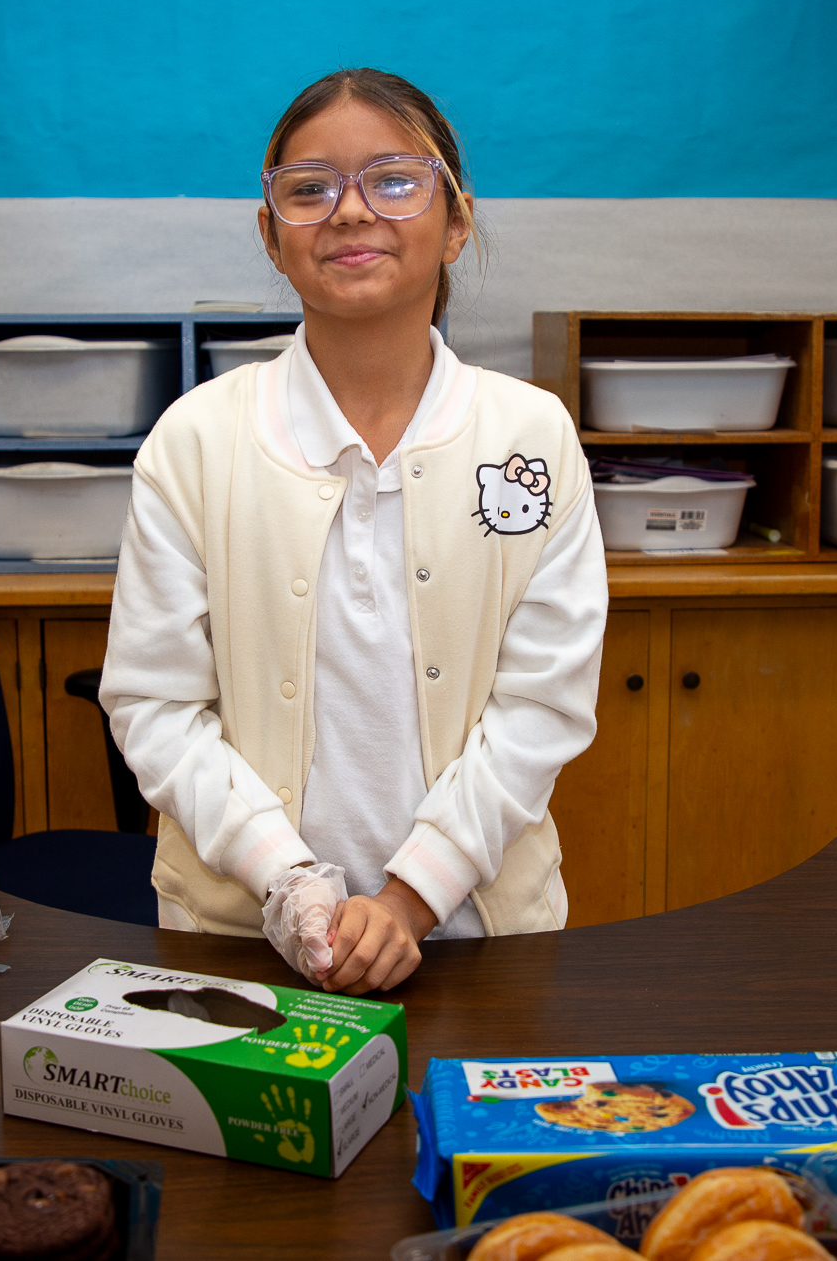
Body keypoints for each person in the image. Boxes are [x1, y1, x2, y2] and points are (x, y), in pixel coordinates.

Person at [100, 68, 607, 994]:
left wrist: (411, 896)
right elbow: (155, 706)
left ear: (456, 221)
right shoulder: (197, 440)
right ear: (272, 234)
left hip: (478, 933)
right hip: (239, 937)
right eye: (309, 189)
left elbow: (544, 706)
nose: (349, 211)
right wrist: (288, 880)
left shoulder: (530, 438)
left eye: (394, 180)